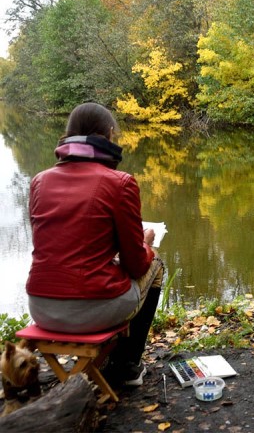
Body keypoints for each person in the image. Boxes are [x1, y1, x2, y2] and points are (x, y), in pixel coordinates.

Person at [26, 102, 164, 387]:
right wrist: (146, 243)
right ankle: (126, 367)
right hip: (92, 311)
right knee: (156, 265)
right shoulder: (121, 182)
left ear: (67, 136)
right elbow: (136, 264)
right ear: (110, 135)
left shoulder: (39, 181)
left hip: (40, 308)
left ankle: (107, 361)